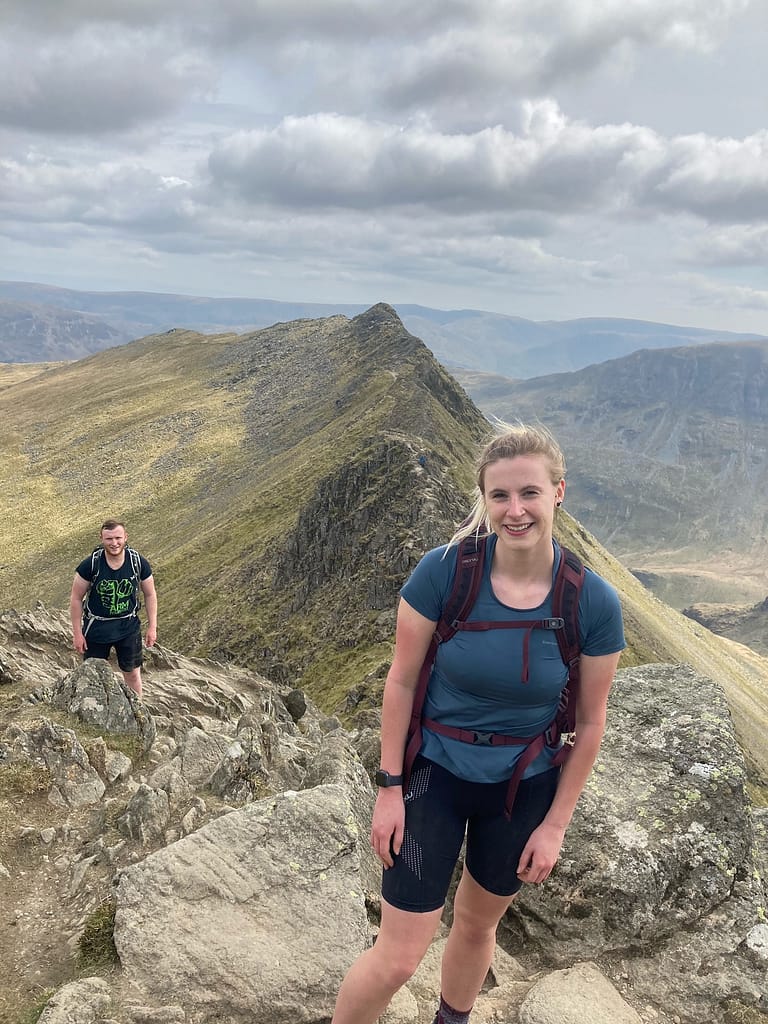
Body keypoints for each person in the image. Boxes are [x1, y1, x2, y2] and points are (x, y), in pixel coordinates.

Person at [331, 423, 625, 1024]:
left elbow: (591, 722)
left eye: (530, 493)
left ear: (558, 492)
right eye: (500, 496)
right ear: (483, 500)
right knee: (398, 958)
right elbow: (402, 680)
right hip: (435, 774)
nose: (515, 511)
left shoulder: (591, 602)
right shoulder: (444, 574)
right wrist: (389, 789)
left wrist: (555, 826)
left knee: (475, 926)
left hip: (525, 787)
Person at [69, 519, 157, 699]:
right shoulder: (90, 565)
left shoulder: (137, 562)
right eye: (109, 539)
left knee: (132, 674)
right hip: (97, 628)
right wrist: (78, 633)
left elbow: (150, 594)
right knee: (94, 675)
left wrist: (152, 627)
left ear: (126, 537)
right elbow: (76, 598)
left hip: (128, 627)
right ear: (101, 539)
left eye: (118, 538)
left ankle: (137, 712)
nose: (114, 543)